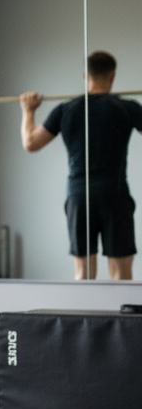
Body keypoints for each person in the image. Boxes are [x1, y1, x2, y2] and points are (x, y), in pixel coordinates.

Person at [20, 50, 142, 280]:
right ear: (112, 76)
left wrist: (28, 111)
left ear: (86, 76)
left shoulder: (66, 109)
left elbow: (30, 143)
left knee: (83, 275)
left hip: (79, 197)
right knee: (121, 275)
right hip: (114, 195)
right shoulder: (127, 107)